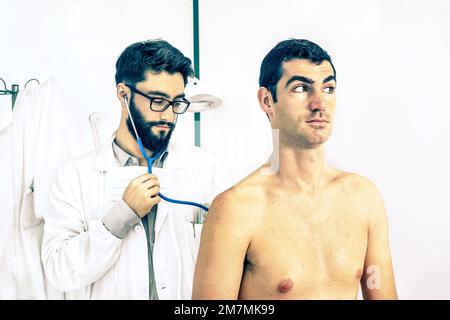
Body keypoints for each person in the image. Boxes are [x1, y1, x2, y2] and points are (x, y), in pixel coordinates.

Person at [192, 39, 397, 300]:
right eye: (301, 88)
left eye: (329, 88)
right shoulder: (235, 210)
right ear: (267, 100)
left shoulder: (363, 198)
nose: (319, 103)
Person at [42, 39, 228, 299]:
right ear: (123, 94)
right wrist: (119, 218)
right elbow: (59, 270)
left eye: (176, 103)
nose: (168, 116)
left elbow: (226, 257)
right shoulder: (74, 177)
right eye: (158, 101)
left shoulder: (204, 169)